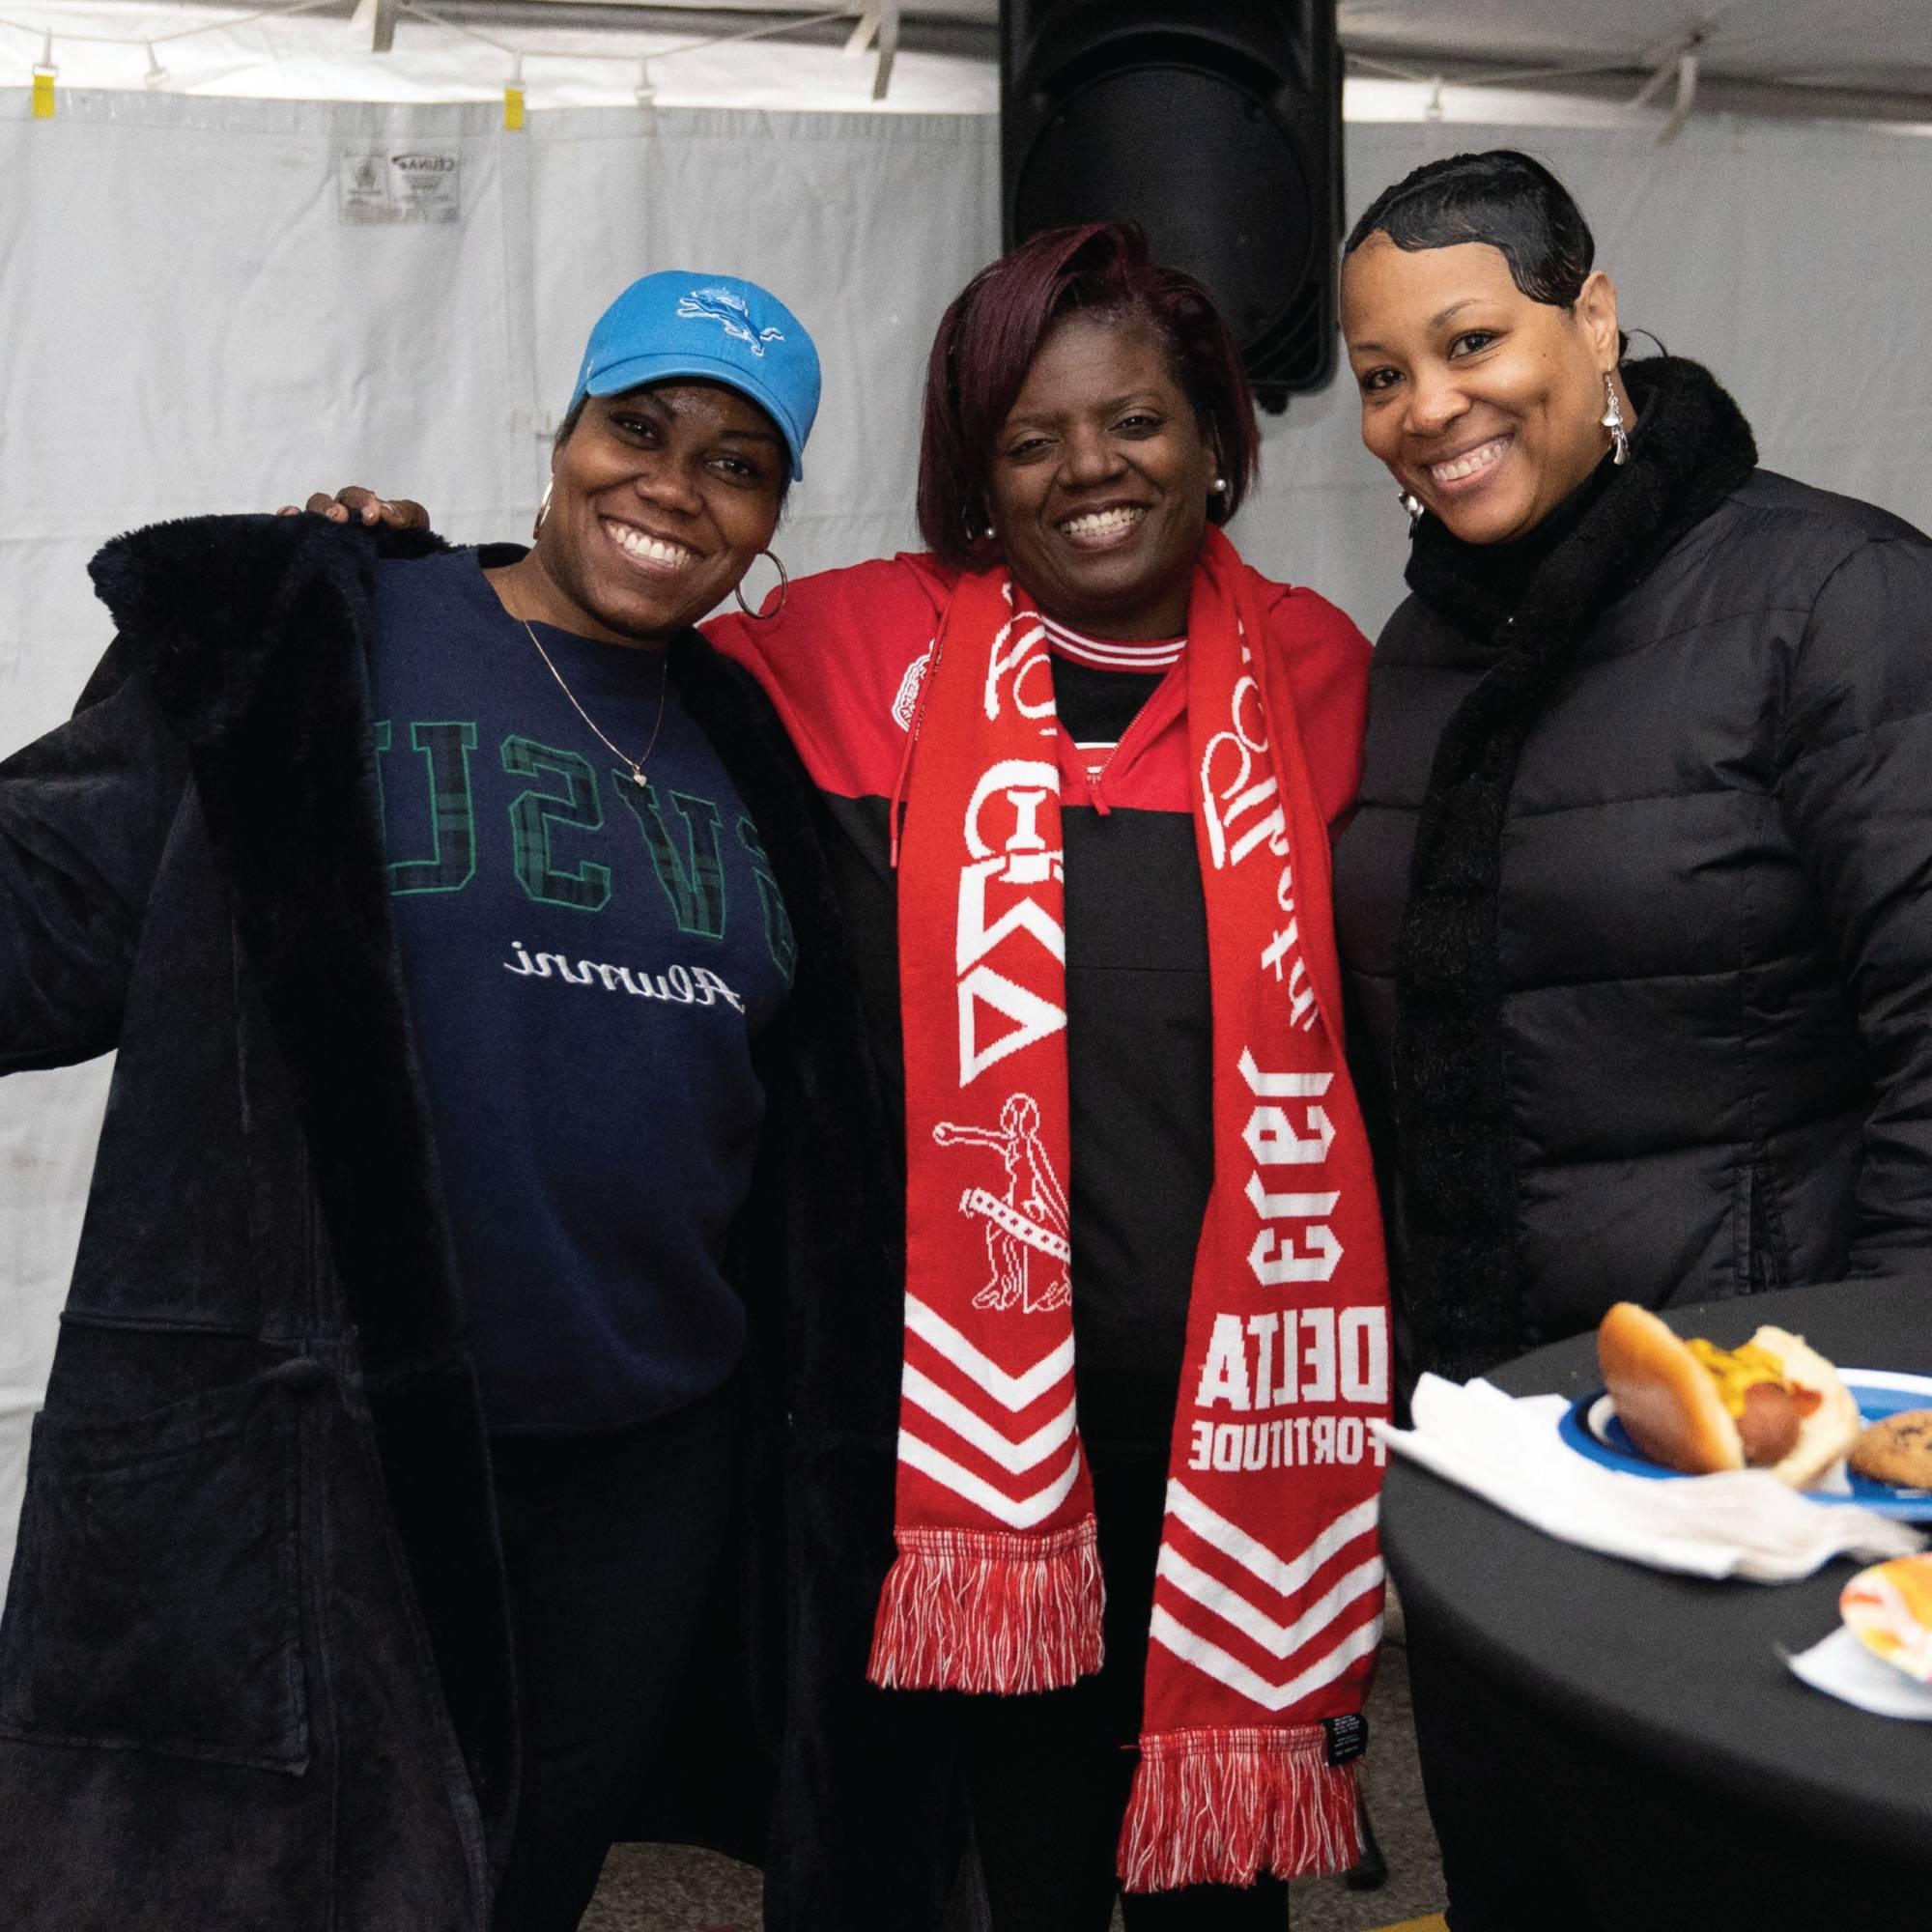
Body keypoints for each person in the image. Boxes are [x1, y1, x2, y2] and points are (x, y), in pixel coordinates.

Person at [319, 223, 1394, 1932]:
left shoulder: (1331, 673)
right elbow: (599, 621)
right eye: (1026, 441)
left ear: (1216, 438)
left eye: (1134, 424)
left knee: (1223, 1890)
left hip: (1235, 1401)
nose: (1086, 472)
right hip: (975, 1424)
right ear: (972, 473)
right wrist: (384, 572)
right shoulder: (840, 641)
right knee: (1017, 1864)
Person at [0, 270, 880, 1932]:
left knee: (518, 1889)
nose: (673, 485)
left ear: (770, 521)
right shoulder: (331, 631)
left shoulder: (755, 751)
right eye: (640, 426)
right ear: (559, 438)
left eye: (737, 462)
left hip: (641, 1478)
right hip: (330, 1452)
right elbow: (47, 899)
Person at [1331, 148, 1932, 1921]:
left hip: (1765, 1484)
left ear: (1591, 321)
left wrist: (1875, 1428)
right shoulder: (1416, 655)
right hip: (1501, 1471)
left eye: (1469, 342)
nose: (1429, 410)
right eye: (1380, 378)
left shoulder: (1833, 596)